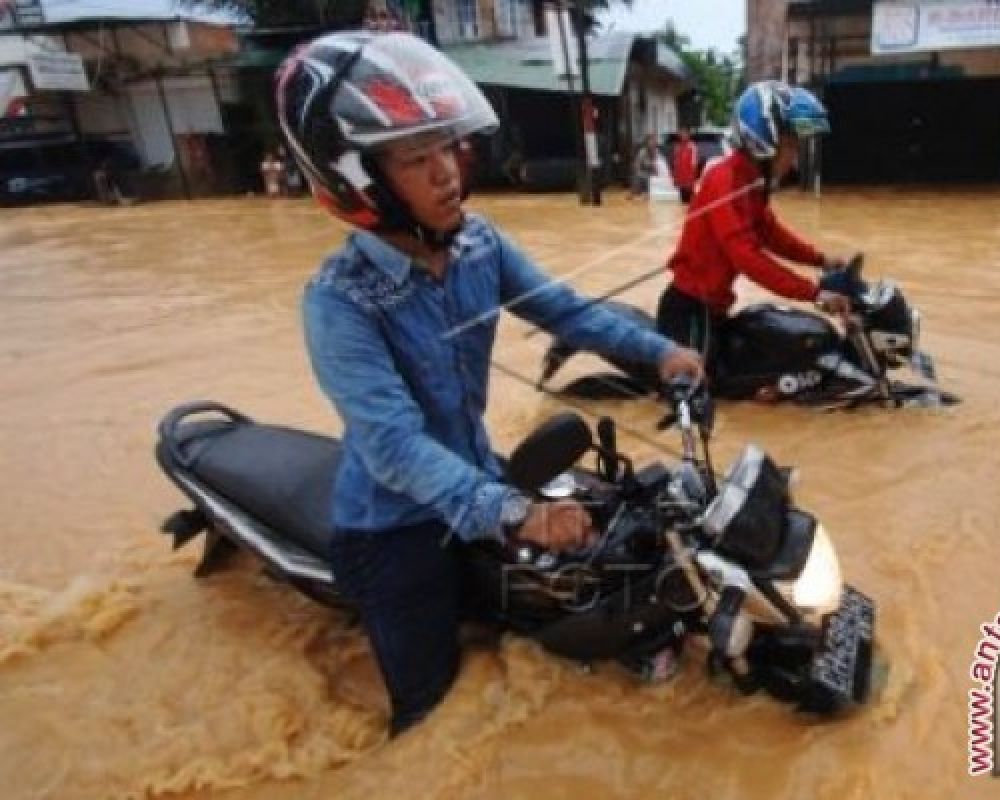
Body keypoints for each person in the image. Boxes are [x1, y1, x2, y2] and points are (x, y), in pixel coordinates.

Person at [276, 31, 704, 736]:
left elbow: (566, 310)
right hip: (395, 526)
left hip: (478, 476)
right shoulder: (339, 302)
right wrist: (519, 514)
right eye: (418, 158)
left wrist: (660, 354)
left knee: (597, 565)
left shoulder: (479, 244)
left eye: (448, 146)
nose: (448, 172)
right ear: (359, 181)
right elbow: (394, 448)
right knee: (433, 716)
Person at [656, 82, 852, 379]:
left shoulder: (752, 183)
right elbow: (747, 257)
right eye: (790, 145)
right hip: (690, 310)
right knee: (700, 387)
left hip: (717, 308)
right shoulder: (724, 180)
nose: (794, 156)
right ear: (764, 140)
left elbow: (771, 233)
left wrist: (821, 260)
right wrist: (815, 293)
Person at [671, 129, 698, 204]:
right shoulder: (677, 147)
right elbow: (675, 163)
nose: (683, 136)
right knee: (682, 200)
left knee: (690, 200)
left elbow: (694, 163)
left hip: (689, 178)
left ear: (688, 135)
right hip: (680, 178)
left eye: (685, 134)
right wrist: (675, 177)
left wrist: (692, 179)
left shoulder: (692, 146)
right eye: (682, 134)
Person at [628, 133, 658, 199]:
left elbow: (658, 164)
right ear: (647, 142)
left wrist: (655, 168)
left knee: (650, 177)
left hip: (653, 172)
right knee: (638, 176)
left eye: (654, 141)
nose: (652, 143)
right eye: (651, 141)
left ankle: (648, 193)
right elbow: (637, 163)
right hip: (644, 171)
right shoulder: (643, 151)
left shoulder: (657, 151)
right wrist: (638, 171)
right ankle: (634, 192)